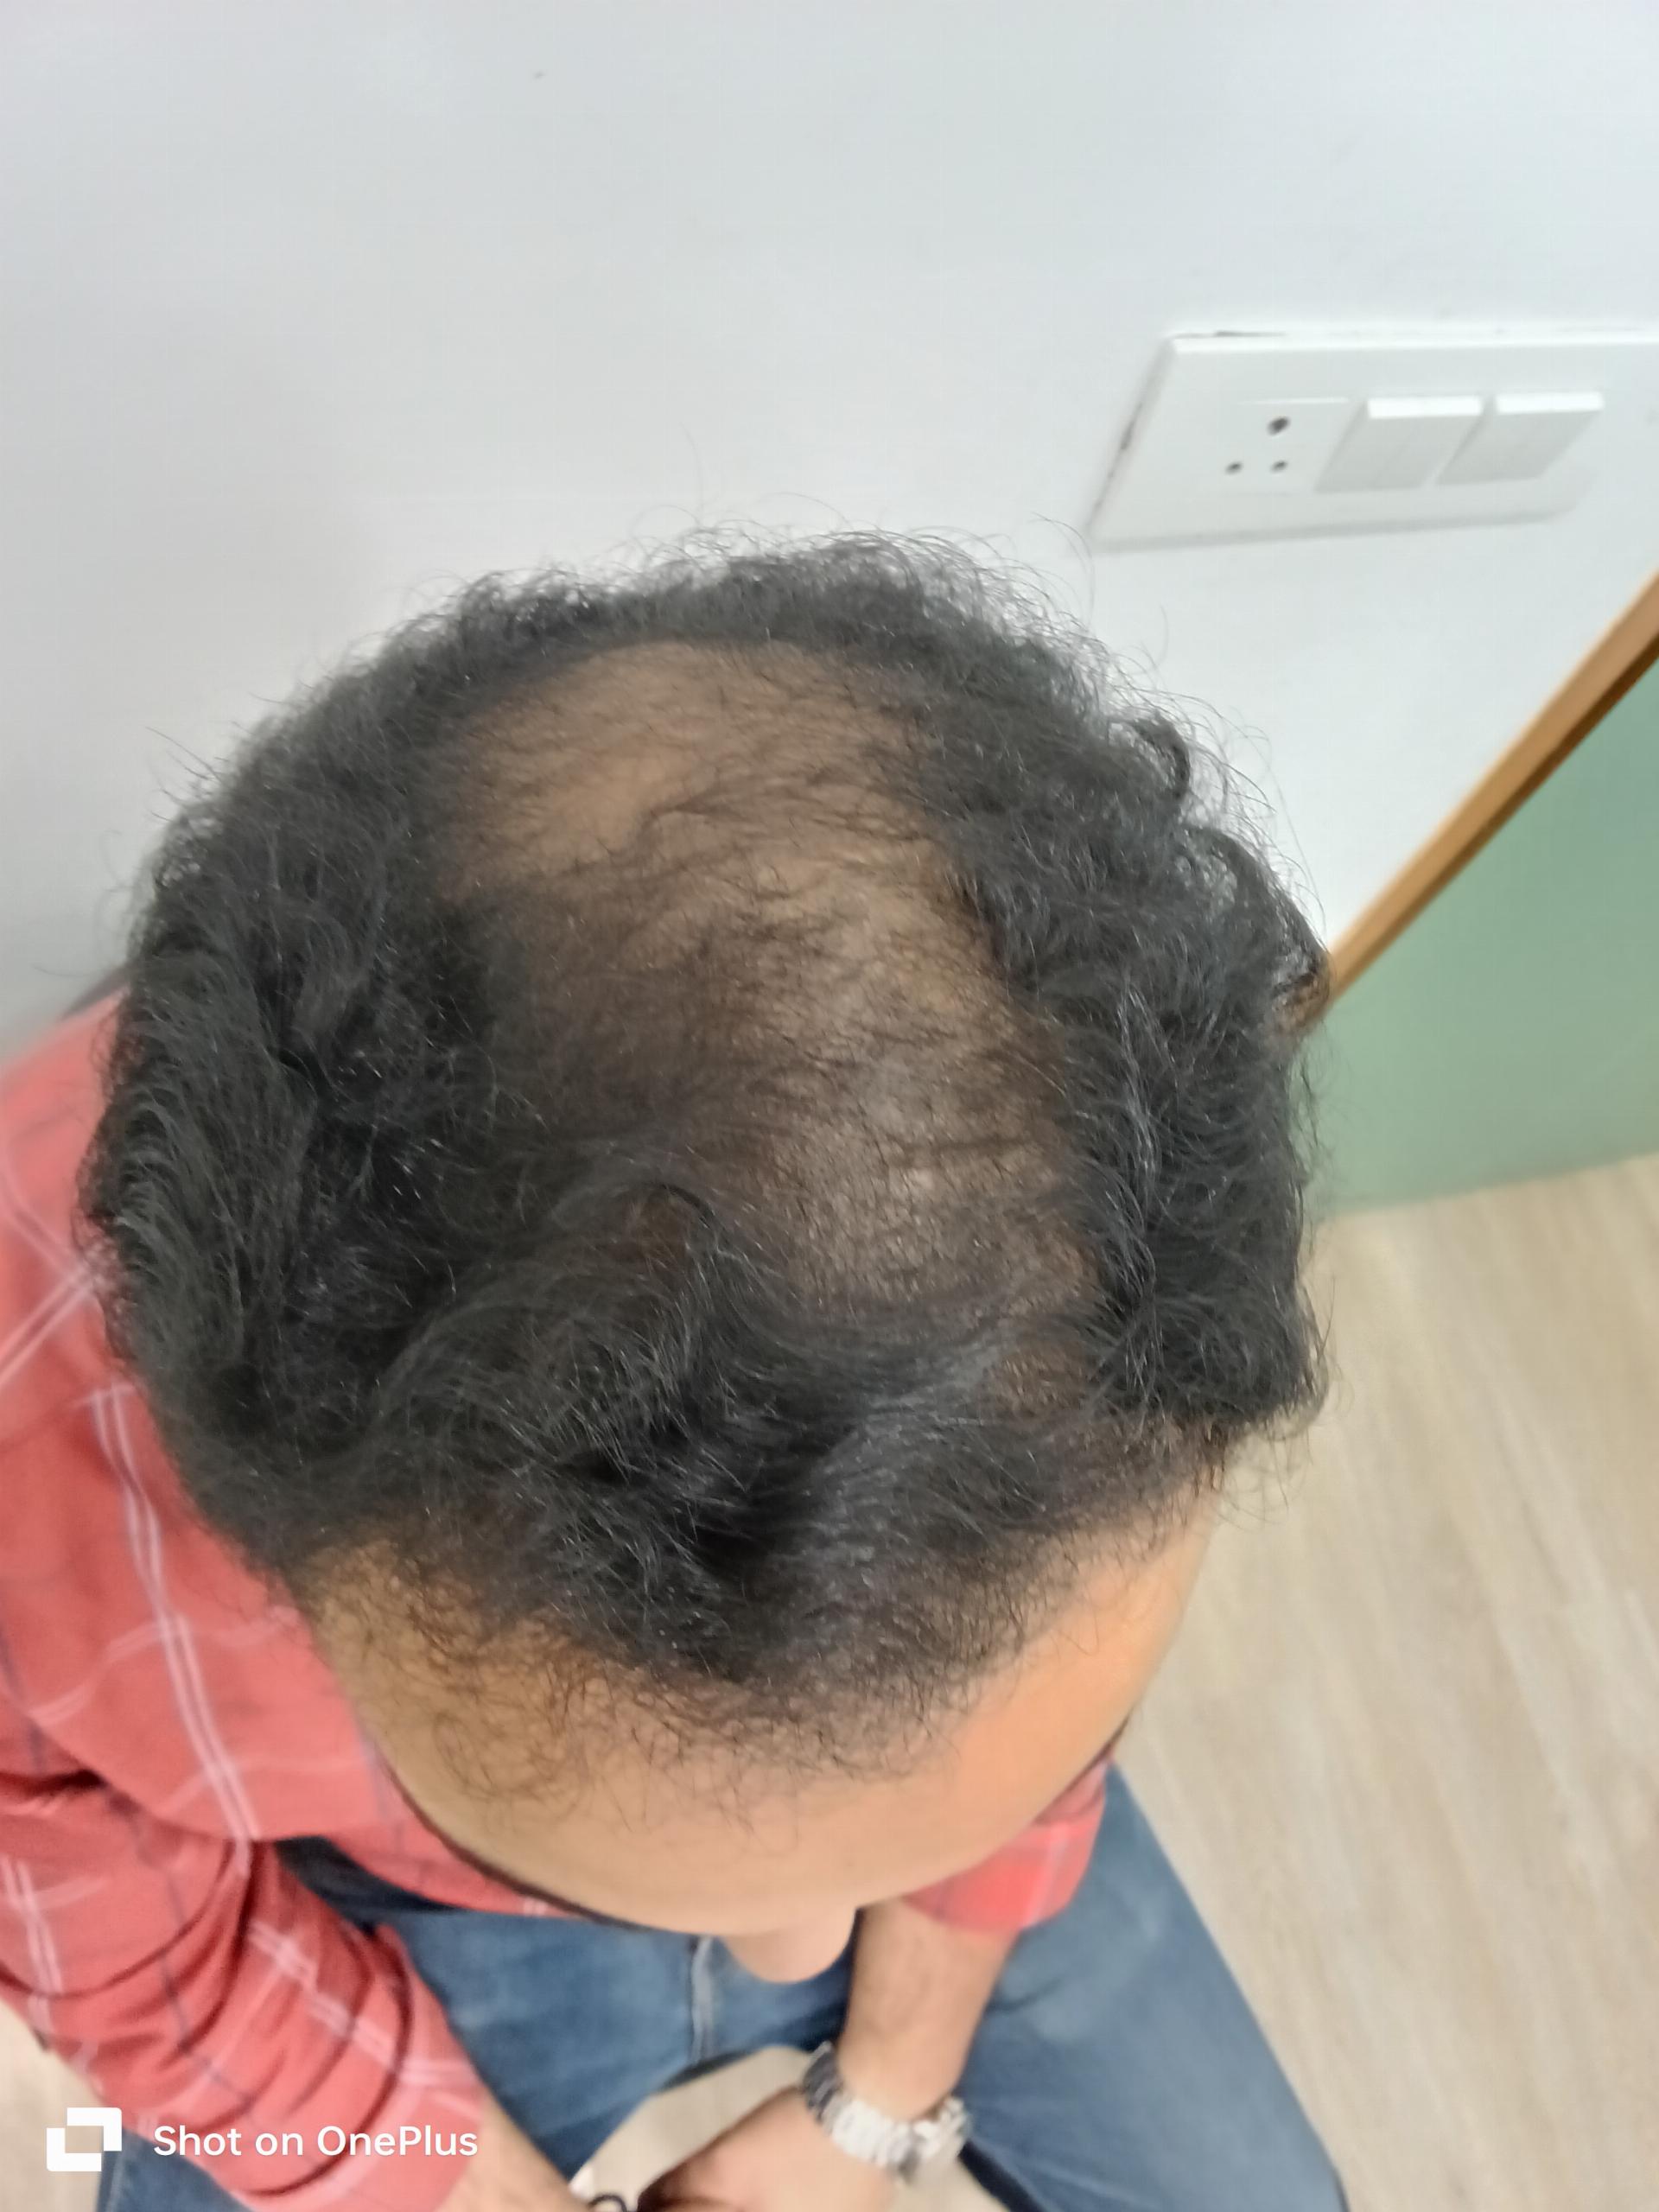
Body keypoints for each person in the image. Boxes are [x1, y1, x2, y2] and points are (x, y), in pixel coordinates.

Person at [0, 536, 1343, 2212]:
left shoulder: (1097, 1339)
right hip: (378, 1934)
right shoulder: (32, 1474)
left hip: (957, 1874)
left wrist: (881, 2098)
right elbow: (122, 1945)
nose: (797, 1953)